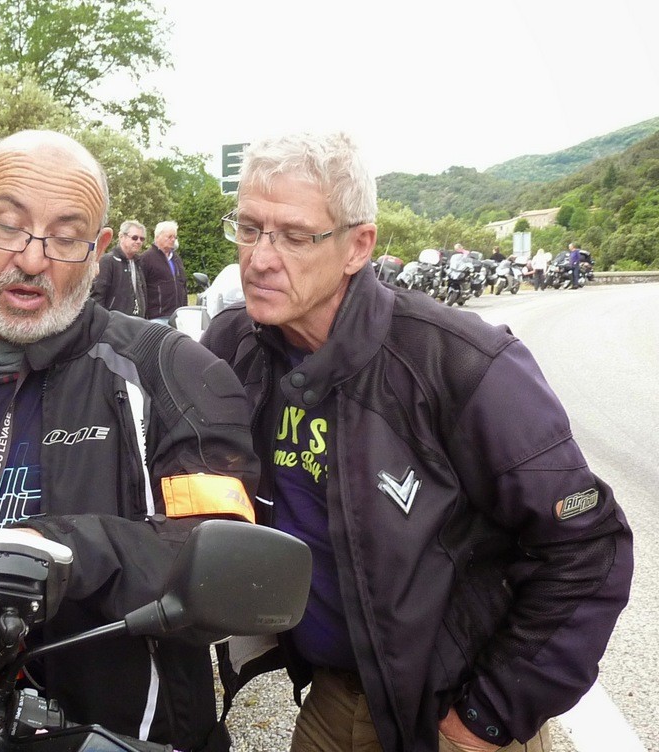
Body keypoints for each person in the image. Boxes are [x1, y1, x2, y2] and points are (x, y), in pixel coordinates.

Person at [202, 131, 633, 752]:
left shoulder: (461, 364)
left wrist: (486, 717)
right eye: (248, 228)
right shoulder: (235, 349)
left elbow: (587, 548)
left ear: (358, 245)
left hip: (449, 712)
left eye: (294, 235)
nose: (260, 258)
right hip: (331, 700)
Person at [0, 130, 259, 751]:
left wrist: (55, 548)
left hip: (109, 733)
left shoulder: (171, 372)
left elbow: (223, 551)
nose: (31, 258)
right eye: (7, 226)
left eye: (67, 237)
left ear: (100, 250)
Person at [90, 219, 148, 315]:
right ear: (122, 237)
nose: (138, 242)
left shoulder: (138, 263)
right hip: (114, 322)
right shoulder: (108, 261)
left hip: (137, 321)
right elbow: (98, 295)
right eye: (134, 237)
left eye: (142, 239)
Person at [141, 219, 187, 323]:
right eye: (169, 236)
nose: (173, 240)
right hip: (157, 317)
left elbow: (183, 284)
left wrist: (185, 308)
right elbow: (141, 288)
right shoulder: (146, 258)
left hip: (178, 316)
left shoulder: (176, 259)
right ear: (158, 236)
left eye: (174, 237)